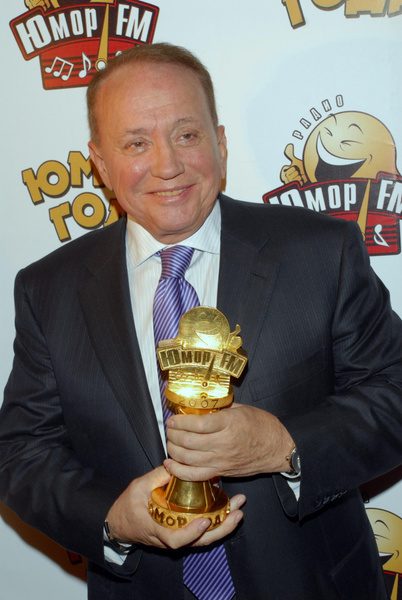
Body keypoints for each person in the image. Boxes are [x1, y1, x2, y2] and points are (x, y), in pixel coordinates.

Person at [1, 42, 402, 600]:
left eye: (186, 135)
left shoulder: (320, 252)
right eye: (136, 143)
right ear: (100, 163)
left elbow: (394, 393)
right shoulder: (49, 288)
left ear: (220, 142)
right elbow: (23, 452)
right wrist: (113, 518)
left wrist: (283, 445)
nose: (167, 165)